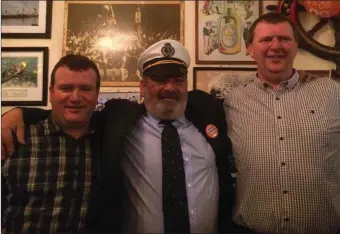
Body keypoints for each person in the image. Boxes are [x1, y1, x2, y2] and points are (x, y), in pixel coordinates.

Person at [2, 40, 244, 233]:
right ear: (142, 86)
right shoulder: (119, 120)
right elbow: (70, 111)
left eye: (178, 80)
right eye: (159, 79)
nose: (169, 87)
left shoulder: (207, 111)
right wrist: (17, 112)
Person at [224, 12, 340, 233]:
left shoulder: (333, 93)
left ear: (296, 46)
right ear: (249, 49)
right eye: (266, 39)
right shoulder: (232, 101)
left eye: (285, 39)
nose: (276, 46)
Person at [1, 54, 101, 233]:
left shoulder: (108, 138)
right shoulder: (15, 137)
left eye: (85, 88)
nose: (76, 97)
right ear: (51, 93)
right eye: (66, 88)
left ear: (96, 94)